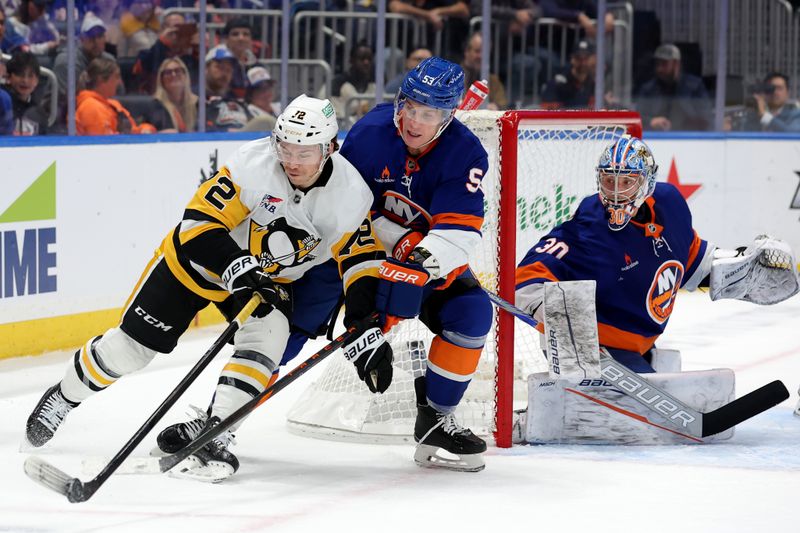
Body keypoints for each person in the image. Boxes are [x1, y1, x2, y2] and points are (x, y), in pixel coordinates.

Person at [26, 94, 392, 483]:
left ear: (330, 148)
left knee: (269, 335)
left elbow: (360, 263)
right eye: (285, 148)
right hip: (196, 265)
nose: (292, 161)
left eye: (305, 152)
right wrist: (240, 266)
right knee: (129, 351)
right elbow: (197, 227)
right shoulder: (252, 166)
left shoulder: (351, 195)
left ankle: (217, 433)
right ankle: (62, 398)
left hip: (261, 284)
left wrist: (363, 325)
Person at [515, 135, 799, 375]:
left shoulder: (669, 204)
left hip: (642, 343)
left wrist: (738, 264)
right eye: (608, 181)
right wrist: (562, 320)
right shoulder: (590, 225)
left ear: (647, 182)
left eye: (626, 182)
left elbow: (689, 261)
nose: (615, 193)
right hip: (596, 350)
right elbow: (526, 277)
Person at [339, 56, 493, 472]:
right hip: (356, 258)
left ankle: (435, 420)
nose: (414, 122)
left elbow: (457, 235)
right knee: (293, 321)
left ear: (447, 116)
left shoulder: (465, 153)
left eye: (429, 113)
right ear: (399, 102)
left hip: (418, 264)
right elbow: (341, 211)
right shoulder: (369, 134)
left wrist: (419, 259)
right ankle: (220, 416)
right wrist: (393, 240)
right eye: (410, 107)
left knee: (472, 312)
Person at [635, 43, 712, 132]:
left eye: (664, 64)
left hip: (689, 139)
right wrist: (650, 122)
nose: (659, 68)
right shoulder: (648, 89)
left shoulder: (694, 87)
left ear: (676, 64)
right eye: (657, 64)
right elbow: (637, 119)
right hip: (656, 139)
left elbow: (707, 118)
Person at [75, 56, 155, 135]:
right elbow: (103, 143)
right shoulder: (91, 107)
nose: (120, 82)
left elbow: (132, 130)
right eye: (116, 77)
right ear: (101, 79)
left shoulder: (112, 104)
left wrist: (145, 129)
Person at [53, 12, 116, 108]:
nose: (96, 42)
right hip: (63, 115)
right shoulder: (66, 61)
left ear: (105, 39)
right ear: (82, 39)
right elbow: (66, 101)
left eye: (99, 36)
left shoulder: (109, 61)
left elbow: (117, 93)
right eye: (91, 37)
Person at [132, 11, 198, 95]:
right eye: (173, 30)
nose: (177, 35)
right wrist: (161, 42)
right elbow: (149, 70)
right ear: (162, 30)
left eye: (181, 29)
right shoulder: (146, 55)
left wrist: (197, 49)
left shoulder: (190, 58)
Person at [321, 41, 376, 126]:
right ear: (351, 60)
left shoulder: (374, 86)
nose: (366, 62)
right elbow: (333, 119)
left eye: (369, 59)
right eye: (362, 58)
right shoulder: (335, 86)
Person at [204, 45, 252, 131]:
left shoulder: (238, 101)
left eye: (228, 69)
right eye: (220, 67)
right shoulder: (196, 100)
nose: (224, 73)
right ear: (206, 68)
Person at [540, 39, 598, 110]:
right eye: (579, 58)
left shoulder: (593, 82)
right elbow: (548, 110)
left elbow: (597, 108)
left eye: (586, 58)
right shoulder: (558, 83)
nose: (583, 63)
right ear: (572, 59)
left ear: (593, 59)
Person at [3, 49, 48, 135]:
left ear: (37, 81)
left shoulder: (39, 113)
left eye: (30, 76)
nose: (25, 81)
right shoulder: (2, 106)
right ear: (9, 77)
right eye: (20, 74)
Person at [460, 32, 507, 110]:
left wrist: (496, 106)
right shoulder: (452, 77)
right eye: (477, 51)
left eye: (485, 52)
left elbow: (502, 103)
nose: (481, 56)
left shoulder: (493, 80)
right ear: (467, 52)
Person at [152, 56, 197, 132]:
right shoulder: (154, 106)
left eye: (178, 70)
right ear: (161, 79)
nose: (173, 74)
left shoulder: (199, 104)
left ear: (185, 75)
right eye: (168, 72)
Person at [221, 17, 257, 100]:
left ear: (251, 39)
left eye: (246, 34)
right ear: (226, 39)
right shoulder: (218, 64)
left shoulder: (257, 66)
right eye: (235, 34)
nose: (241, 38)